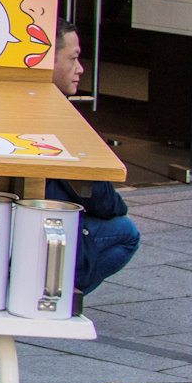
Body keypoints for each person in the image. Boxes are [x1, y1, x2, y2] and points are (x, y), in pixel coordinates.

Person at [47, 22, 139, 300]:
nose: (80, 69)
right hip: (45, 231)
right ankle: (63, 293)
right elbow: (104, 199)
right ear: (48, 62)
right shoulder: (60, 118)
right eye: (73, 59)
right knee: (126, 233)